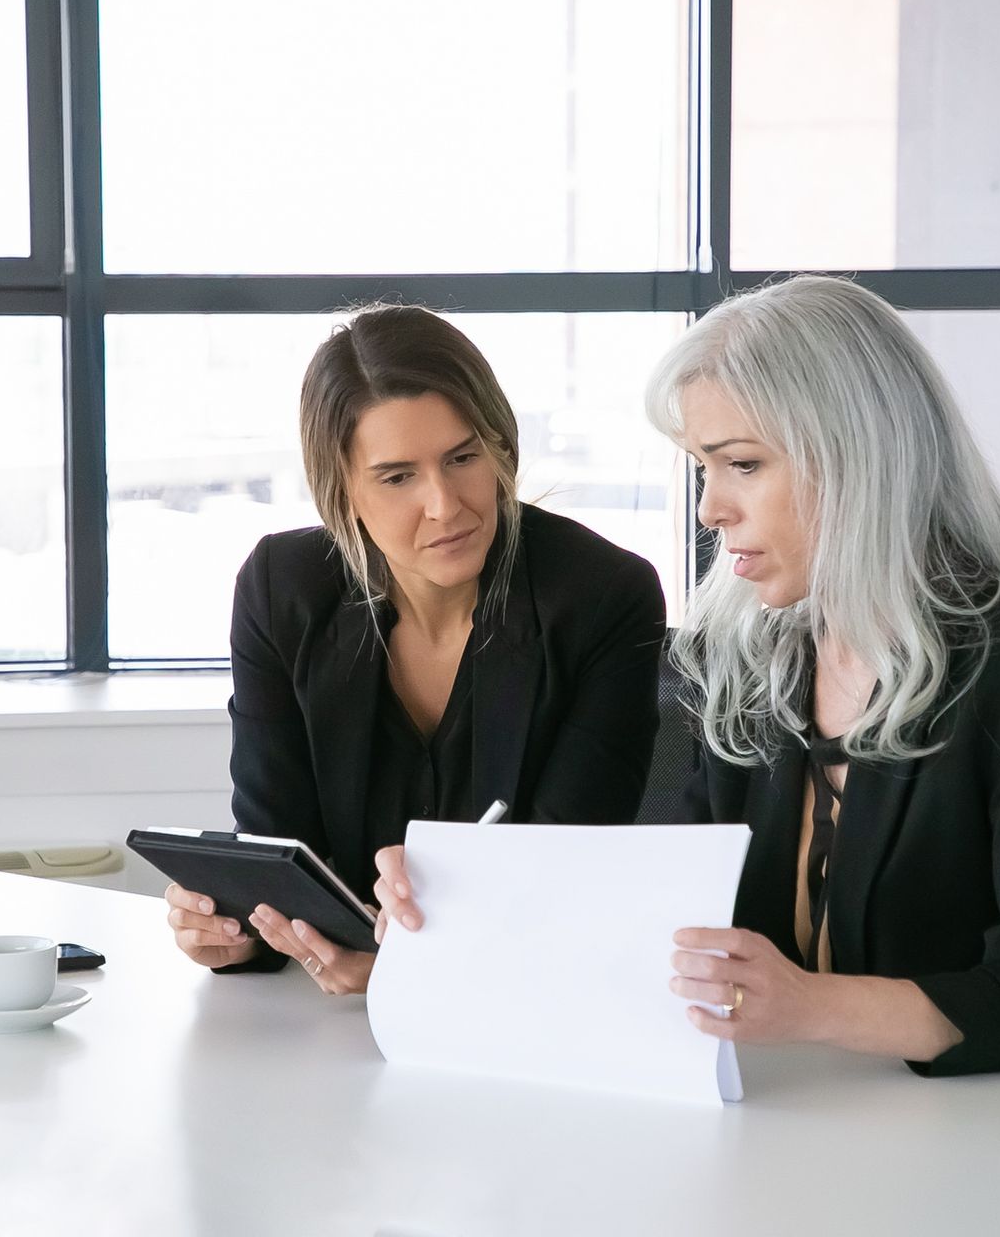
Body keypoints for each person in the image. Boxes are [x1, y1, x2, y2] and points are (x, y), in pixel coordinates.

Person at [376, 275, 1000, 1075]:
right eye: (705, 469)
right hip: (789, 1129)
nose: (711, 510)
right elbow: (666, 924)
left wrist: (810, 1007)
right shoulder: (756, 659)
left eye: (741, 464)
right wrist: (458, 905)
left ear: (858, 462)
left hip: (972, 1148)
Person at [165, 305, 668, 993]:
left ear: (500, 448)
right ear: (342, 490)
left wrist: (407, 971)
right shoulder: (283, 591)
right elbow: (280, 855)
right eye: (398, 476)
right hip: (325, 1035)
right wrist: (235, 936)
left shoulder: (605, 596)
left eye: (463, 458)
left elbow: (560, 874)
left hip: (534, 1003)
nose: (445, 504)